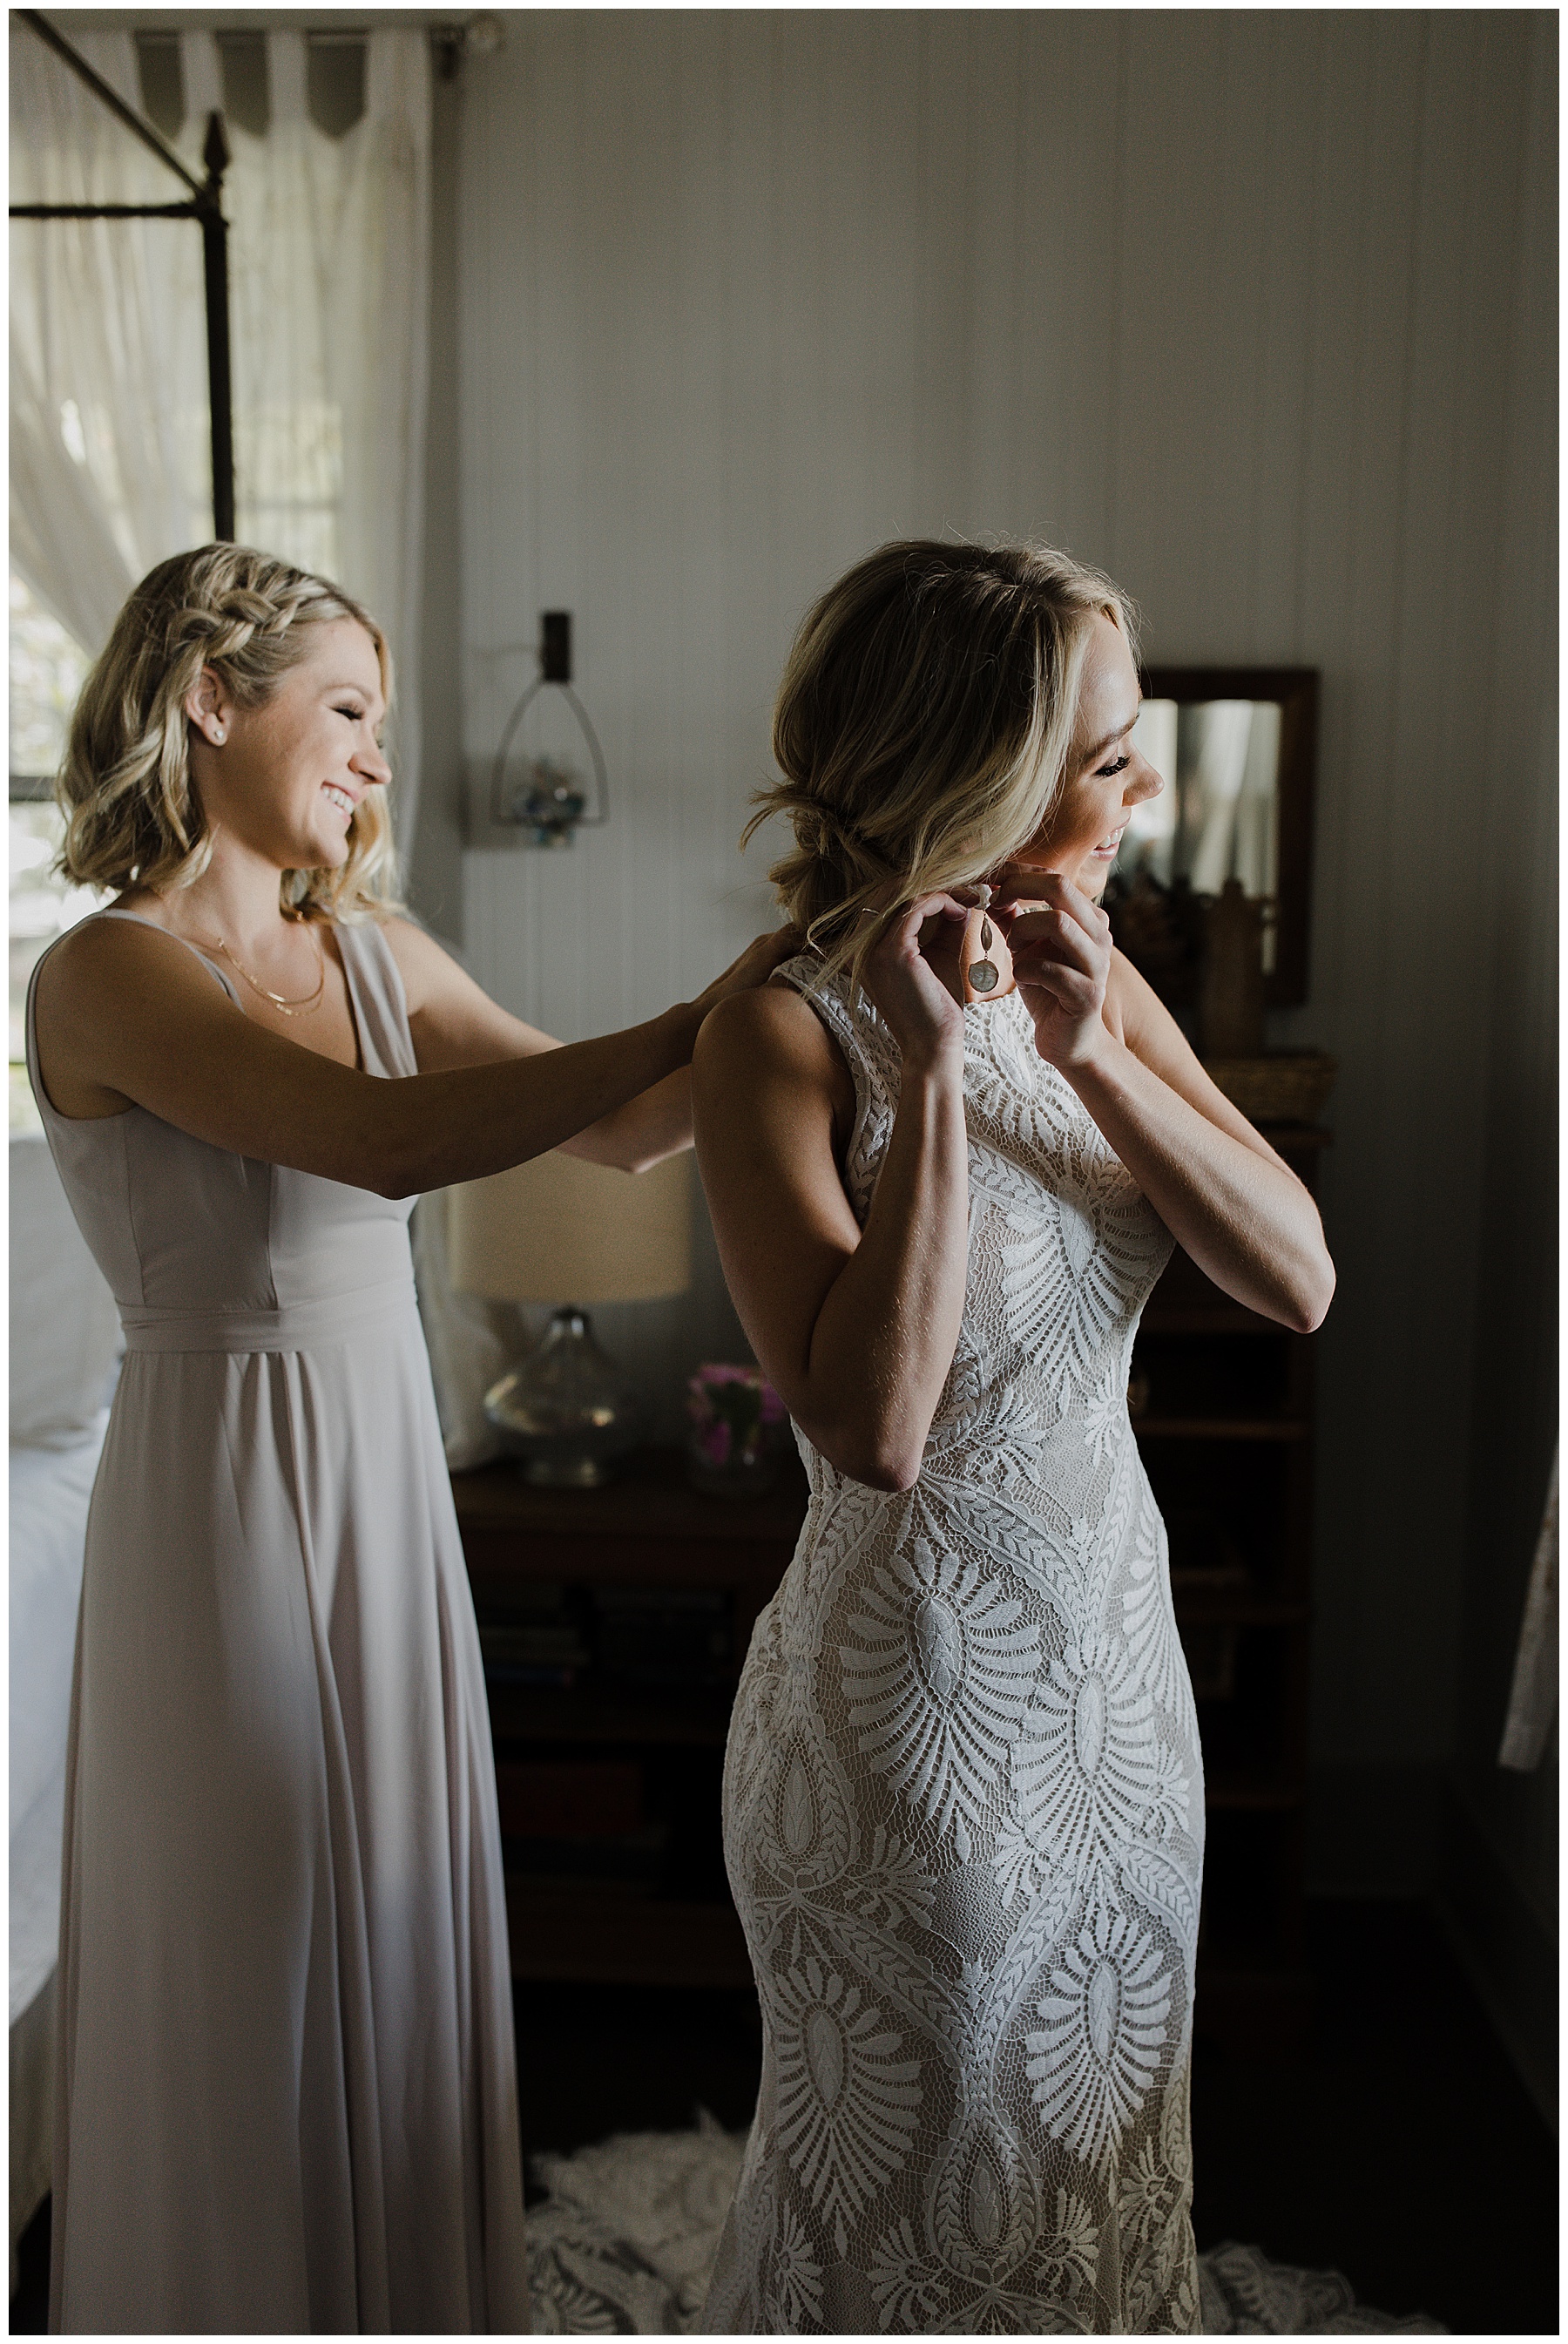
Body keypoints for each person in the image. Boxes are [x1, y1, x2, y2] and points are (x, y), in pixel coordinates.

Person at [27, 541, 792, 2334]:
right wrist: (690, 1013)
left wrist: (792, 1010)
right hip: (214, 1503)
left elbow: (621, 1130)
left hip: (382, 1484)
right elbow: (374, 1143)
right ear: (210, 698)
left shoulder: (366, 946)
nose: (377, 760)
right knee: (252, 1928)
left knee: (391, 1907)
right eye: (351, 712)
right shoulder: (104, 978)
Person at [692, 541, 1335, 2334]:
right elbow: (873, 1426)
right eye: (1106, 755)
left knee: (1105, 2177)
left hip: (1121, 1688)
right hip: (914, 1717)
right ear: (971, 763)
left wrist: (1092, 1047)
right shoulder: (775, 1033)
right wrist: (949, 1080)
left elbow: (1297, 1278)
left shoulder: (1101, 976)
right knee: (916, 2199)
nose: (1141, 793)